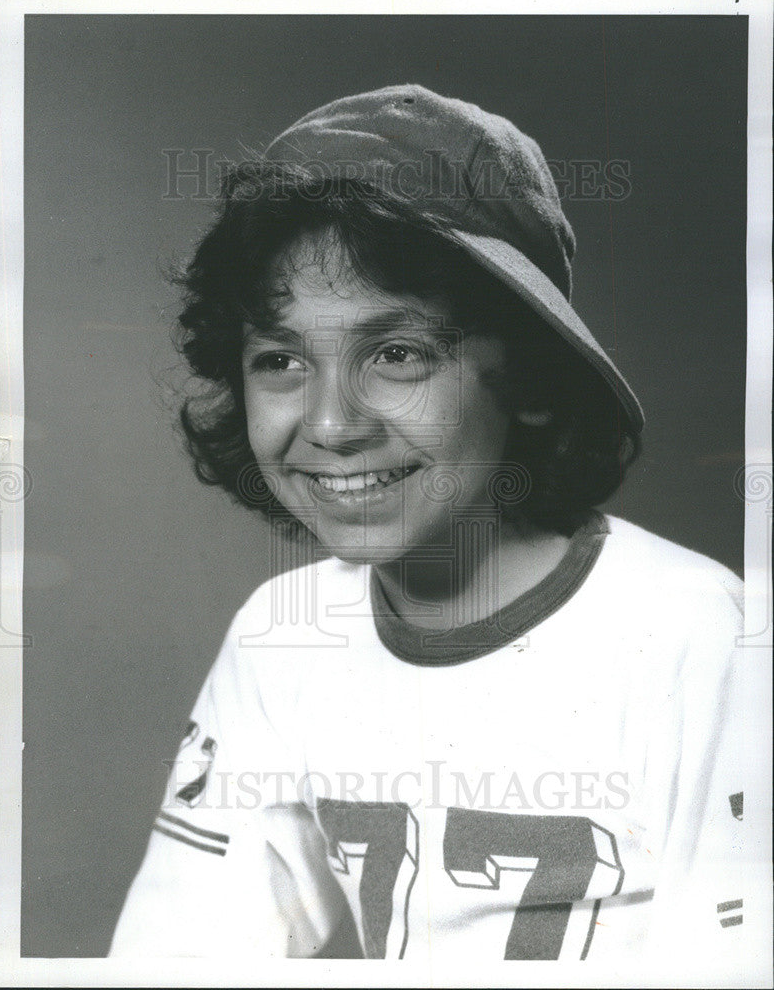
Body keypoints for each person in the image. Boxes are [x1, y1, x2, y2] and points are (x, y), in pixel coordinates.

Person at [109, 85, 744, 967]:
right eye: (281, 359)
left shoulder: (704, 638)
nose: (331, 425)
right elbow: (171, 961)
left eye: (397, 353)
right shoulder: (279, 635)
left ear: (524, 373)